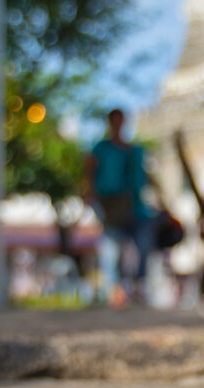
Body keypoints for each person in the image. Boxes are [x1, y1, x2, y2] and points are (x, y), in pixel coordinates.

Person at [84, 108, 154, 306]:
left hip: (136, 205)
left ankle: (139, 285)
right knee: (111, 247)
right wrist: (90, 192)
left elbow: (144, 178)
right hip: (112, 203)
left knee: (143, 244)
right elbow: (89, 171)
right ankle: (114, 290)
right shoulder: (101, 149)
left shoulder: (135, 150)